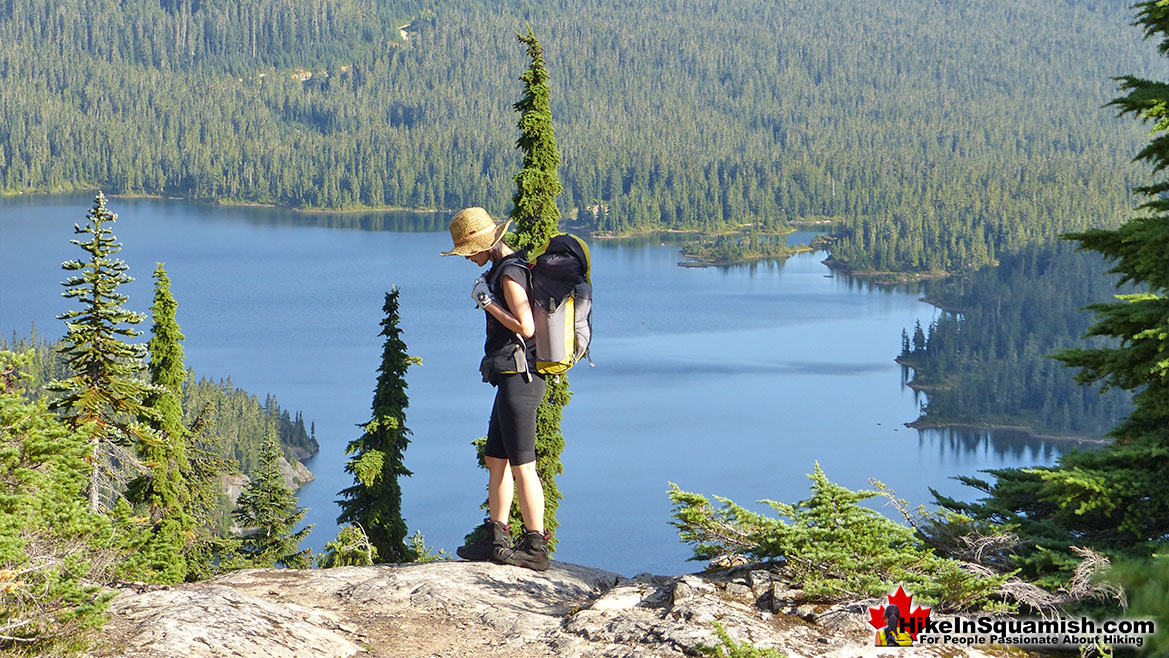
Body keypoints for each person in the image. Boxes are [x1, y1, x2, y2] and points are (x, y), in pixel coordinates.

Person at [441, 207, 550, 571]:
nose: (467, 258)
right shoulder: (501, 269)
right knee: (496, 459)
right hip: (510, 379)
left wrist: (487, 303)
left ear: (485, 244)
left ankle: (535, 547)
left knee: (524, 466)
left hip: (522, 379)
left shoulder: (510, 273)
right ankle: (497, 537)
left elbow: (526, 326)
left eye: (468, 251)